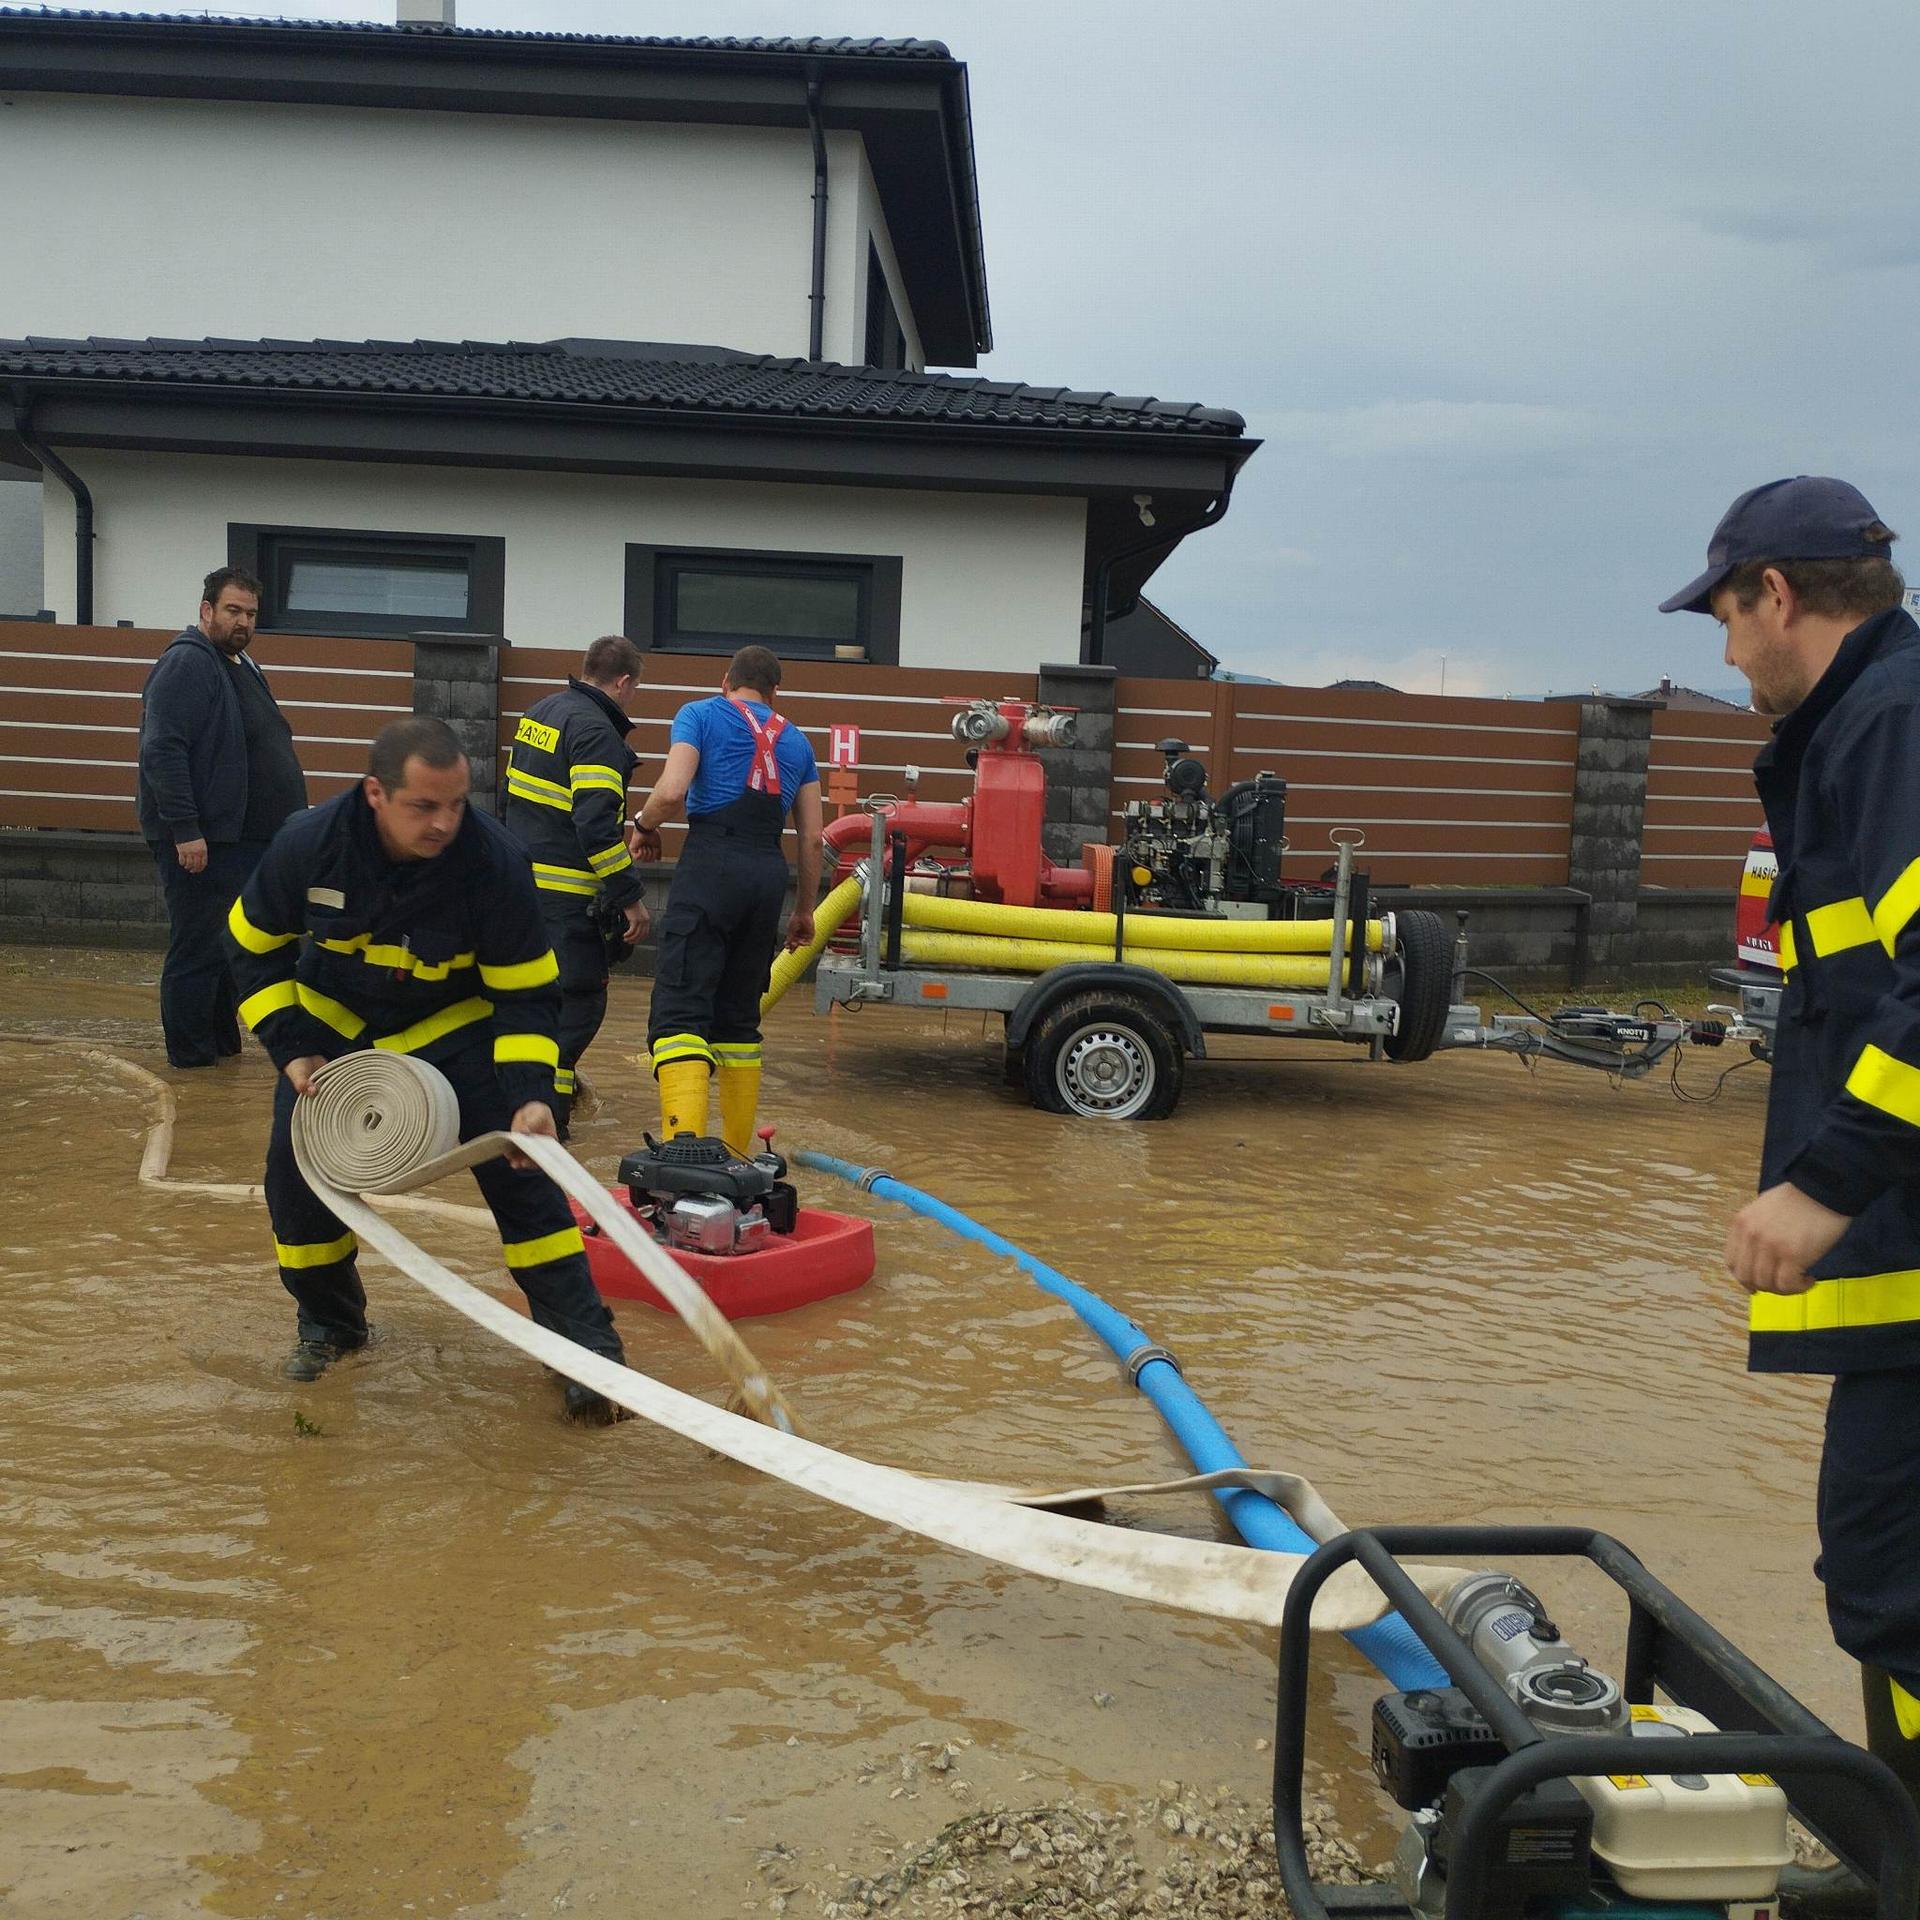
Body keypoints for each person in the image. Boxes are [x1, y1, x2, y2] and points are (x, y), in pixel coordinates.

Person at [1662, 476, 1920, 1857]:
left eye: (1723, 617)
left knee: (1893, 1586)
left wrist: (1826, 1181)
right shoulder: (1872, 727)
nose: (1722, 653)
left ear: (1776, 595)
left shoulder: (1891, 726)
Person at [226, 715, 628, 1424]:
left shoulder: (494, 862)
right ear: (375, 793)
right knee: (295, 1187)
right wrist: (291, 1047)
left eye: (457, 804)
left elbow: (528, 997)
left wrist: (533, 1100)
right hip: (331, 1036)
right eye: (424, 807)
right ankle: (331, 1330)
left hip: (454, 1031)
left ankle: (585, 1356)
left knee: (527, 1178)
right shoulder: (310, 845)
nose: (444, 823)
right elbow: (249, 949)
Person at [633, 644, 822, 1153]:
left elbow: (672, 790)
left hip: (710, 864)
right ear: (774, 691)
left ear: (726, 681)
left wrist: (644, 825)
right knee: (739, 1020)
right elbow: (811, 840)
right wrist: (804, 910)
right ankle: (740, 1156)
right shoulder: (799, 742)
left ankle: (683, 1155)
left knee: (679, 1011)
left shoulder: (698, 714)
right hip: (766, 876)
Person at [137, 566, 308, 1067]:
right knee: (197, 948)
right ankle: (190, 1063)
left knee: (227, 949)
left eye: (251, 613)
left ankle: (220, 1050)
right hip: (206, 841)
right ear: (206, 610)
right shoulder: (188, 664)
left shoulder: (238, 663)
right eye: (233, 610)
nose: (243, 621)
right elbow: (163, 750)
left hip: (245, 840)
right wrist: (186, 830)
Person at [502, 634, 651, 1137]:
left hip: (523, 887)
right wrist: (629, 896)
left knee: (533, 1001)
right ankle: (551, 1126)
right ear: (623, 681)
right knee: (579, 1004)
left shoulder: (540, 713)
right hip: (568, 898)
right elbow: (595, 825)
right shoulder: (597, 734)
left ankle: (520, 1106)